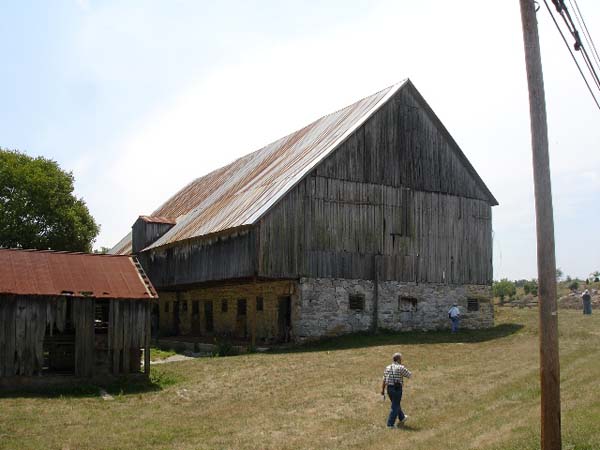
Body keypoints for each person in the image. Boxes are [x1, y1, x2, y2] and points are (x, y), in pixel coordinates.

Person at [381, 352, 412, 428]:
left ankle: (402, 417)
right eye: (401, 359)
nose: (401, 360)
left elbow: (384, 380)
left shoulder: (387, 367)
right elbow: (409, 375)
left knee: (395, 403)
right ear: (398, 359)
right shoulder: (400, 367)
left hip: (389, 389)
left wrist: (382, 390)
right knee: (395, 406)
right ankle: (390, 424)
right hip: (397, 389)